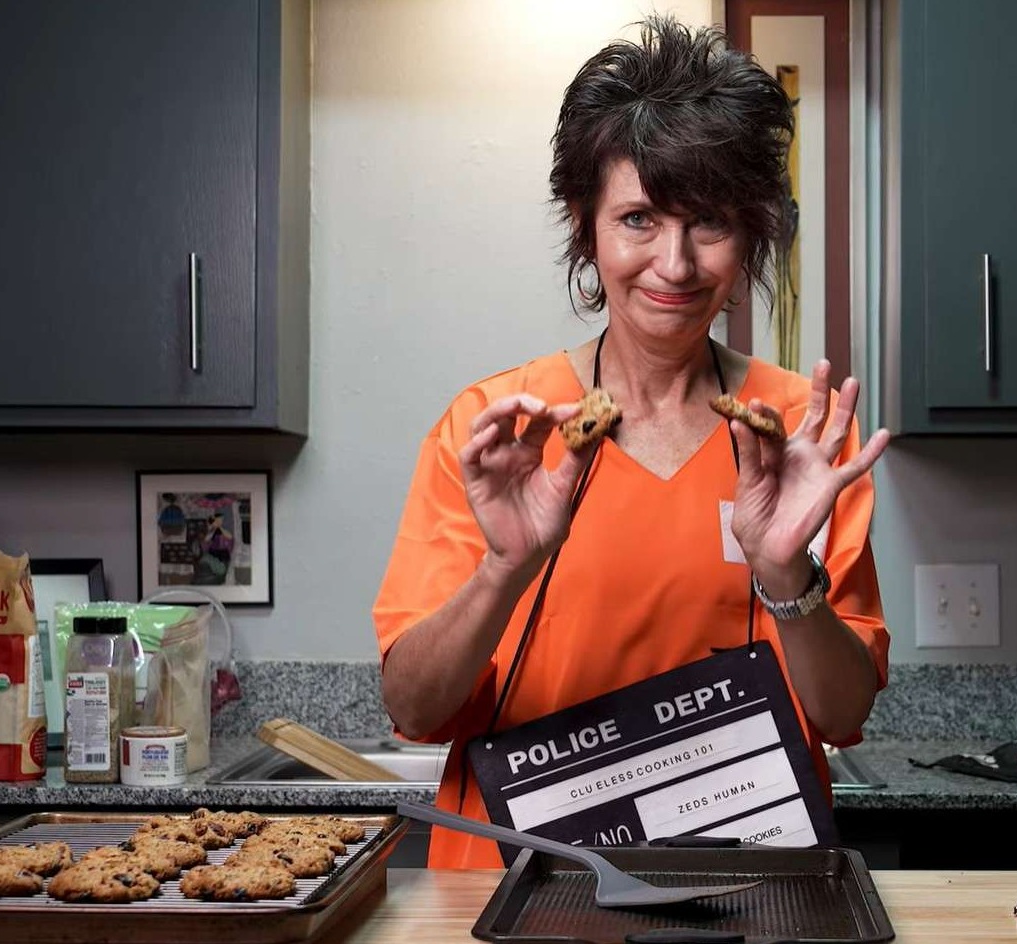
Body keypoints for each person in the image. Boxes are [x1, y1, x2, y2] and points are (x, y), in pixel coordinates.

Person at [373, 14, 891, 868]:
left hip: (746, 883)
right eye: (639, 219)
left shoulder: (802, 432)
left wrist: (784, 578)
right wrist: (508, 566)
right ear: (586, 226)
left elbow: (840, 716)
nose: (676, 264)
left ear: (753, 232)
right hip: (512, 886)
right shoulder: (495, 425)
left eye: (710, 223)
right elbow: (418, 708)